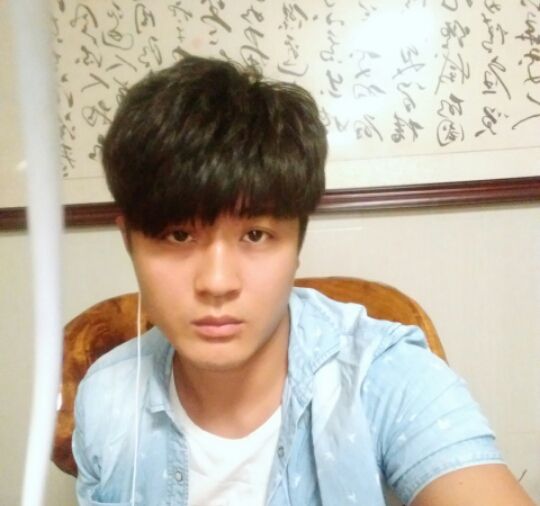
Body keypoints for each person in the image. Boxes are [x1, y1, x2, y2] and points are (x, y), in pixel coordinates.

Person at [73, 56, 534, 506]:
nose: (217, 282)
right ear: (128, 241)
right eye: (178, 235)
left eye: (255, 235)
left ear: (297, 244)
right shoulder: (108, 396)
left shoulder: (382, 376)